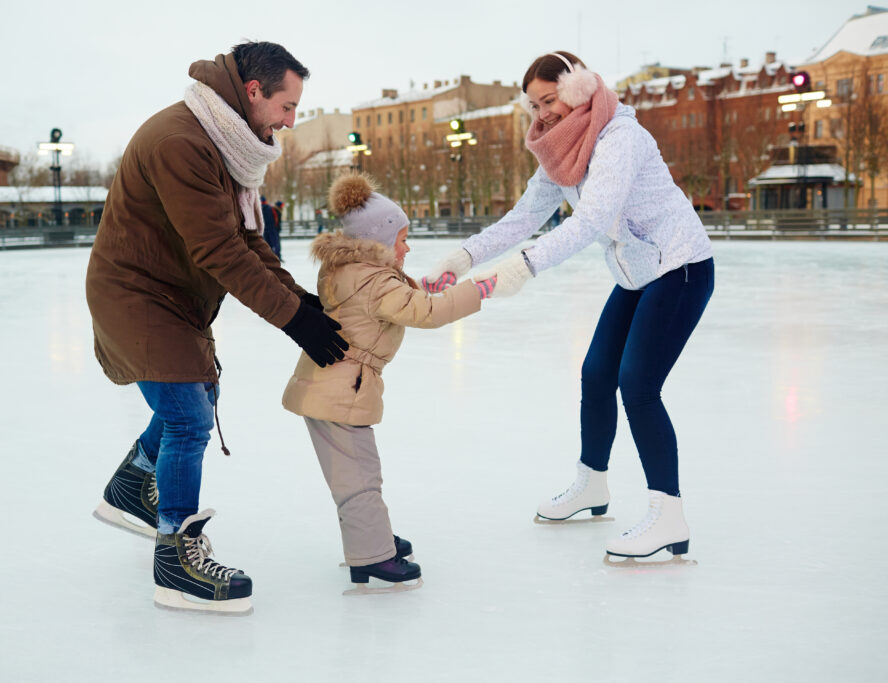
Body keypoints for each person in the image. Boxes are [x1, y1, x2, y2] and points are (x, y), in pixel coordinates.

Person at [86, 41, 348, 614]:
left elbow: (250, 239)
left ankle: (134, 483)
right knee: (187, 417)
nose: (290, 121)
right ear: (253, 92)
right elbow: (219, 251)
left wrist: (300, 300)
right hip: (135, 294)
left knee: (201, 394)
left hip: (171, 294)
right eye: (287, 106)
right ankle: (175, 557)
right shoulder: (184, 141)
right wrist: (294, 322)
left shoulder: (232, 143)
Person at [423, 51, 714, 562]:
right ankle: (592, 484)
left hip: (680, 268)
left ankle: (669, 514)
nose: (543, 114)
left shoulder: (619, 138)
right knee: (597, 373)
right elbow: (522, 218)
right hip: (636, 276)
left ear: (579, 89)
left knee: (638, 385)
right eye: (534, 105)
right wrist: (461, 258)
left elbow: (587, 222)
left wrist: (518, 270)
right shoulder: (560, 150)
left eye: (550, 100)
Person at [282, 173, 496, 591]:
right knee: (359, 476)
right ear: (378, 242)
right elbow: (427, 314)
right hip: (341, 392)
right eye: (402, 238)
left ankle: (372, 541)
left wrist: (425, 287)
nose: (407, 247)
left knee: (356, 473)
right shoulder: (375, 280)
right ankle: (373, 556)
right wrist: (479, 291)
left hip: (326, 387)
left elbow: (401, 301)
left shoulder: (350, 271)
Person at [261, 195, 281, 260]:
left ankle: (269, 257)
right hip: (272, 228)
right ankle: (277, 256)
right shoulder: (270, 208)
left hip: (264, 228)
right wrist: (277, 227)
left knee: (267, 243)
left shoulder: (259, 208)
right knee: (275, 243)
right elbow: (276, 218)